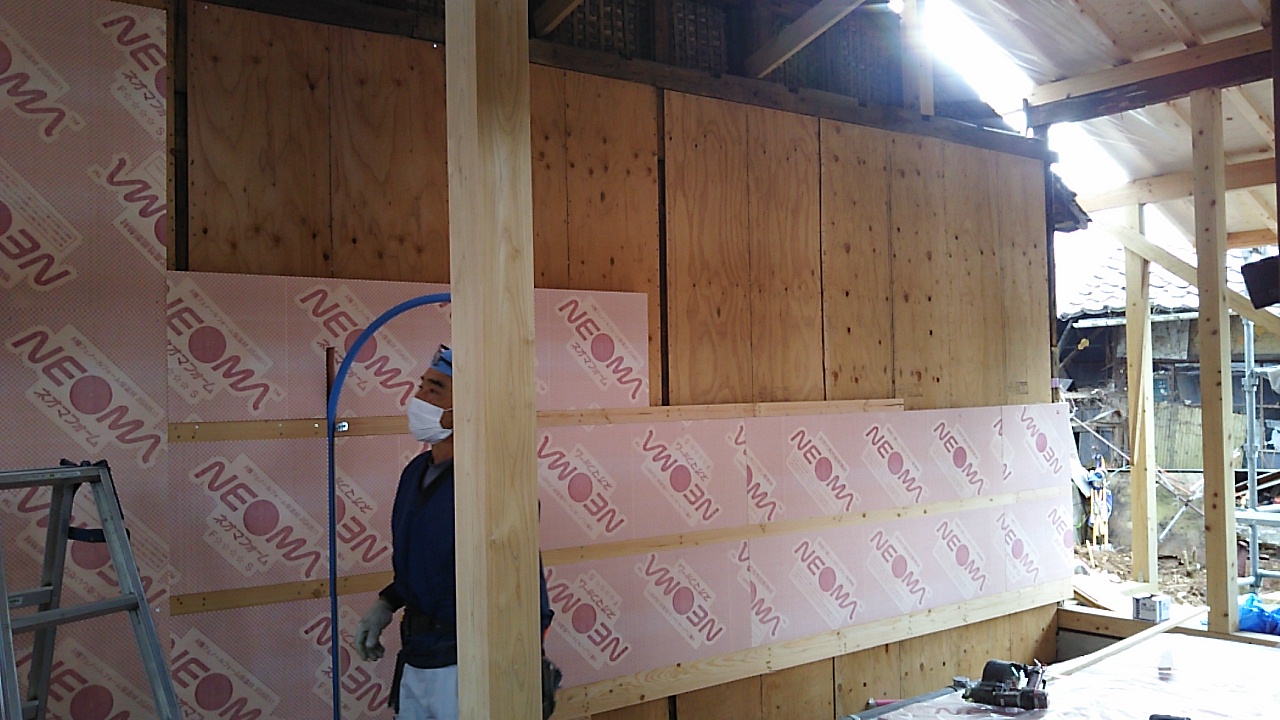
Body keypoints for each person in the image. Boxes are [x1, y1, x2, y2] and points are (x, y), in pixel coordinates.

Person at [353, 344, 553, 718]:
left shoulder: (493, 483)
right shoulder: (415, 474)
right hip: (417, 654)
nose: (419, 399)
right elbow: (422, 564)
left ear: (467, 407)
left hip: (468, 663)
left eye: (435, 390)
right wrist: (386, 604)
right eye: (421, 386)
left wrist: (525, 662)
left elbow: (522, 579)